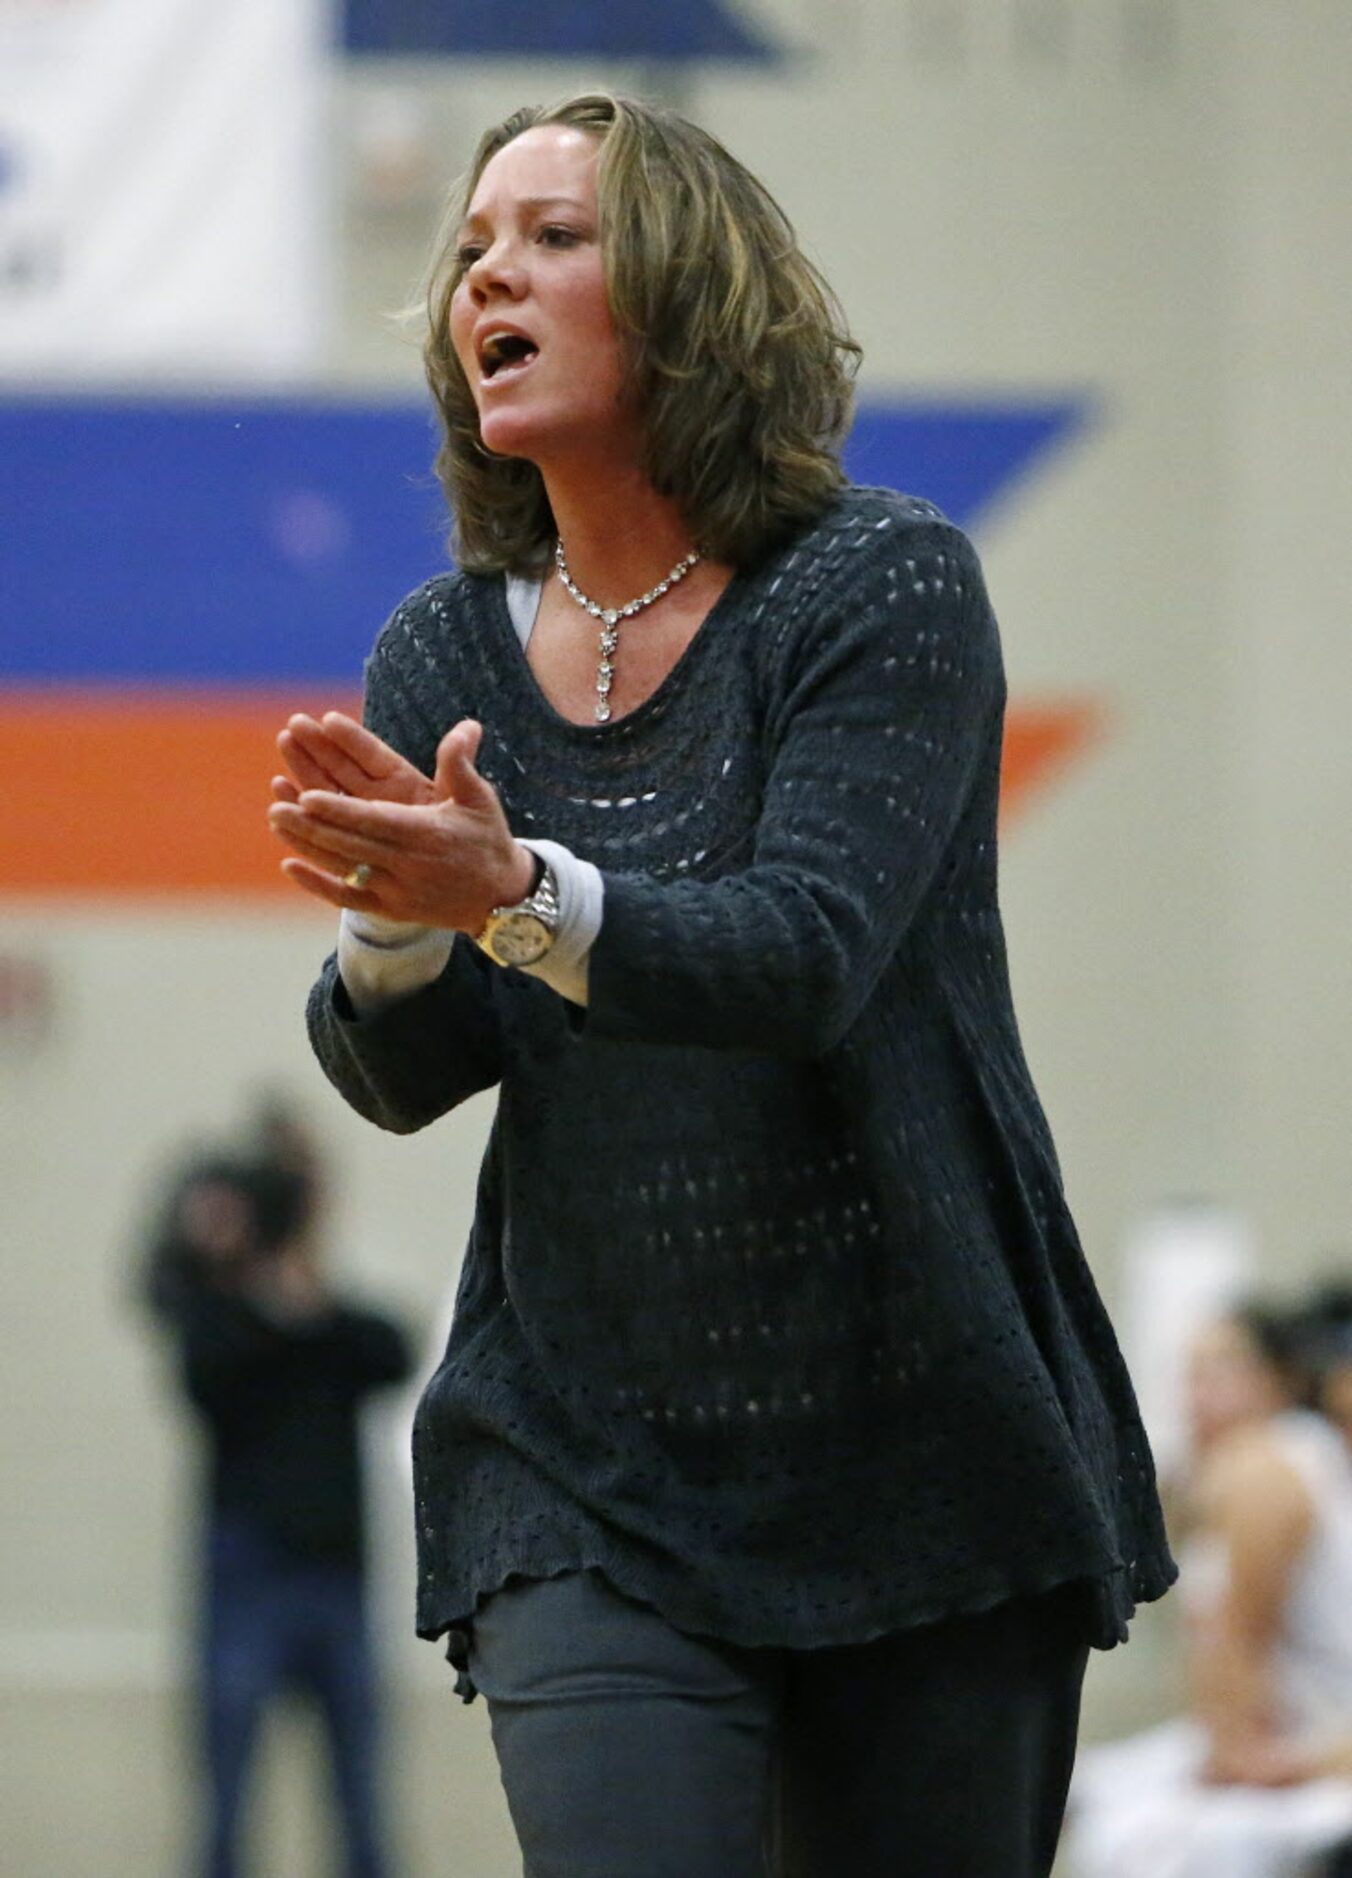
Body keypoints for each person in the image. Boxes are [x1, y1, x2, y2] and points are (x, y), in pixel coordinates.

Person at [267, 90, 1175, 1877]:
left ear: (687, 288)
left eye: (550, 236)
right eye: (468, 251)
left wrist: (509, 886)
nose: (483, 281)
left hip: (921, 1443)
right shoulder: (442, 645)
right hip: (582, 1459)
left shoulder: (877, 585)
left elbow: (804, 952)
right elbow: (412, 1062)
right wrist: (389, 920)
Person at [142, 1124, 413, 1878]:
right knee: (226, 1796)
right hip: (247, 1570)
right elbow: (199, 1369)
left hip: (337, 1572)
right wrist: (252, 1286)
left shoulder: (333, 1325)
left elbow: (394, 1352)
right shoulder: (219, 1319)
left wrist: (307, 1294)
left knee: (361, 1796)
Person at [1065, 1303, 1352, 1878]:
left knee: (1139, 1843)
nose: (1200, 1394)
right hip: (1276, 1729)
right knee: (1089, 1794)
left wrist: (1251, 1761)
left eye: (1223, 1372)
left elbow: (1242, 1642)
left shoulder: (1269, 1467)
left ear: (1279, 1380)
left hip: (1315, 1735)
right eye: (1191, 1374)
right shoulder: (1212, 1474)